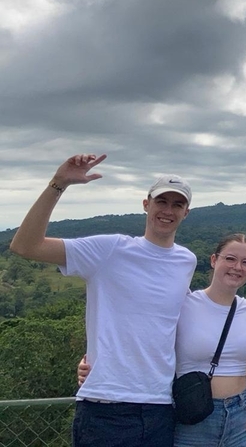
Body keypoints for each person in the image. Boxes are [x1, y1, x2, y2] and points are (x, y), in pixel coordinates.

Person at [10, 155, 197, 447]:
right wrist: (59, 184)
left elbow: (167, 325)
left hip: (161, 406)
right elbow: (25, 245)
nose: (168, 210)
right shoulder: (110, 250)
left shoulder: (187, 261)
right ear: (146, 204)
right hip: (105, 407)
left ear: (186, 212)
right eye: (161, 201)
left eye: (177, 204)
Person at [79, 234, 246, 447]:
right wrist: (97, 364)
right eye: (230, 259)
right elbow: (145, 340)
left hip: (242, 413)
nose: (237, 267)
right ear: (214, 260)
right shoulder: (184, 304)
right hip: (194, 415)